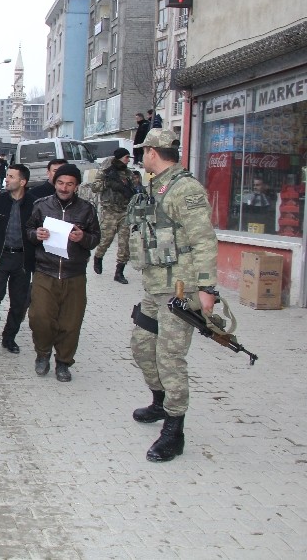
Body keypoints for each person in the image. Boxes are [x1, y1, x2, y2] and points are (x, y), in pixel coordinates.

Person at [128, 129, 218, 462]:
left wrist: (207, 289)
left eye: (144, 151)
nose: (142, 156)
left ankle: (174, 430)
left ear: (153, 152)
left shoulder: (186, 190)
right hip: (154, 287)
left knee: (170, 358)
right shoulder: (155, 185)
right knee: (141, 345)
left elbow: (204, 241)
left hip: (179, 288)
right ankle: (159, 401)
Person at [25, 164, 100, 382]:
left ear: (76, 186)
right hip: (45, 270)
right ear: (54, 183)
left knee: (70, 323)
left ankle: (64, 362)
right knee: (39, 316)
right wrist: (36, 234)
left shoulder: (86, 209)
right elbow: (29, 230)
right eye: (60, 183)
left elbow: (96, 237)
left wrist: (83, 238)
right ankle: (43, 353)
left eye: (69, 184)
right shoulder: (41, 206)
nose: (64, 188)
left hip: (74, 274)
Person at [0, 163, 35, 353]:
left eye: (12, 177)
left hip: (22, 259)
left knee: (18, 302)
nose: (7, 179)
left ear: (23, 181)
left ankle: (9, 337)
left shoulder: (33, 204)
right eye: (8, 176)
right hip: (0, 258)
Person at [92, 147, 135, 284]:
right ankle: (98, 258)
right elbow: (94, 187)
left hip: (124, 211)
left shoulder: (128, 173)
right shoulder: (106, 171)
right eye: (126, 157)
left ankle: (119, 272)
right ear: (120, 158)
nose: (128, 160)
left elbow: (134, 189)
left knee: (124, 244)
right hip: (109, 210)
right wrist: (108, 184)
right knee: (105, 240)